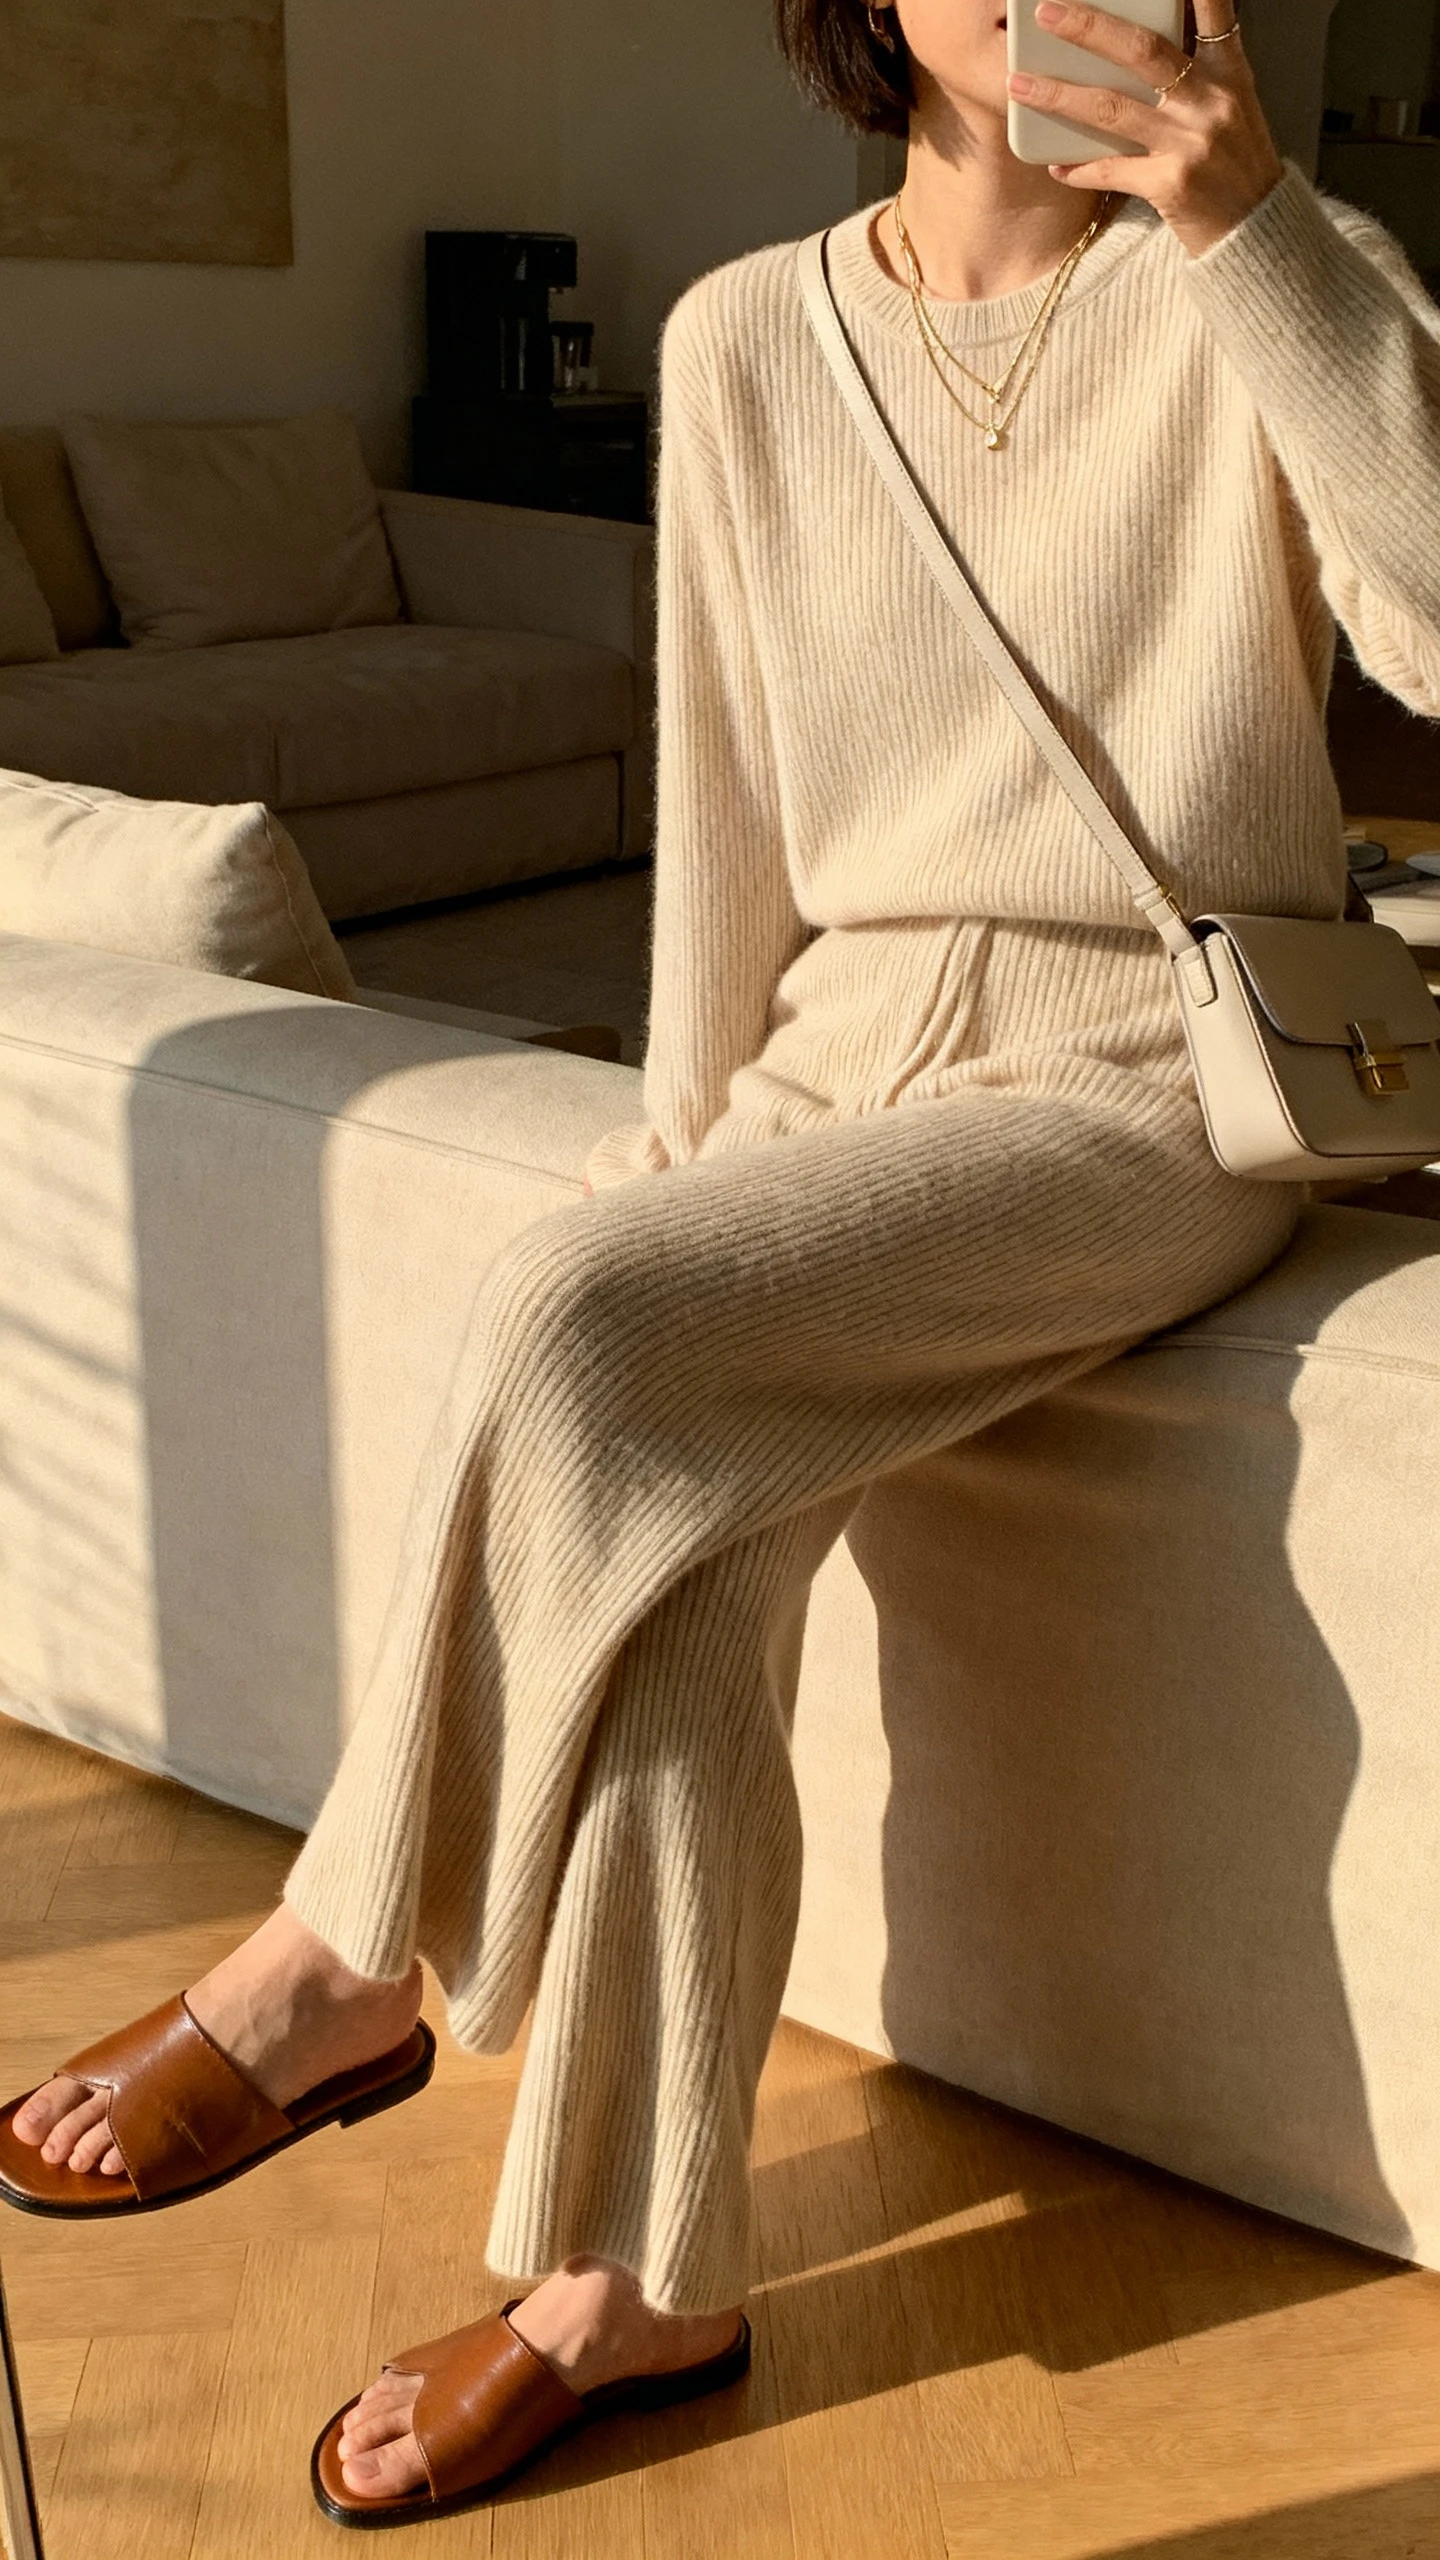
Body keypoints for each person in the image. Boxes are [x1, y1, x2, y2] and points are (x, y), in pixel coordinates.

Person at [5, 0, 1440, 2528]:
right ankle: (639, 2280)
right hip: (826, 1067)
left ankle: (344, 1950)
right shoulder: (747, 336)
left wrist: (1248, 227)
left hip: (1146, 1084)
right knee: (666, 1516)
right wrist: (683, 1172)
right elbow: (732, 810)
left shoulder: (1285, 267)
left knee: (567, 1321)